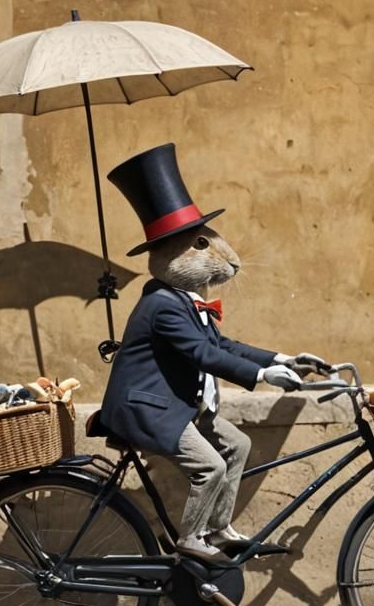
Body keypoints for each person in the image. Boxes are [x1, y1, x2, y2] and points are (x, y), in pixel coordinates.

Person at [98, 143, 329, 560]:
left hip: (175, 406)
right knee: (211, 466)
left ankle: (219, 528)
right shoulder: (162, 305)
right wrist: (260, 378)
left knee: (237, 446)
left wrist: (280, 359)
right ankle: (190, 541)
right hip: (147, 409)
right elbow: (203, 355)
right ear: (167, 254)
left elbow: (221, 344)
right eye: (203, 244)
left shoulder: (184, 300)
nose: (229, 260)